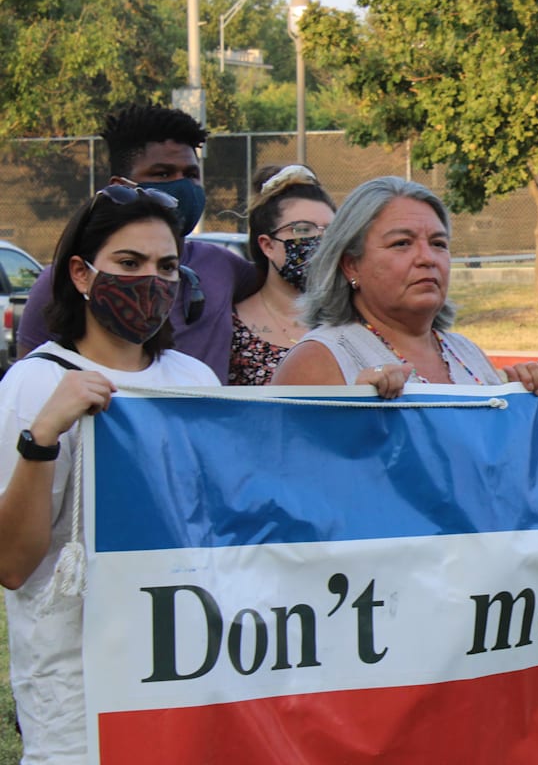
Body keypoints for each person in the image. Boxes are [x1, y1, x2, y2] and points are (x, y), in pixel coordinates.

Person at [0, 185, 218, 761]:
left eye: (167, 266)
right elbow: (12, 565)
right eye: (129, 263)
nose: (151, 280)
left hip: (187, 669)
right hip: (79, 694)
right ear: (81, 273)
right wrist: (42, 437)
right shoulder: (34, 384)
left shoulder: (195, 379)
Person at [16, 104, 257, 382]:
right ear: (122, 185)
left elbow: (283, 291)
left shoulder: (223, 265)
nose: (182, 187)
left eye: (191, 175)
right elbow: (34, 379)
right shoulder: (63, 280)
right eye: (163, 174)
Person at [271, 176, 538, 397]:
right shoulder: (318, 360)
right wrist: (353, 417)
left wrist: (529, 397)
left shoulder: (466, 353)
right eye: (402, 244)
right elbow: (292, 469)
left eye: (438, 244)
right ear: (351, 265)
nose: (427, 258)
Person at [230, 164, 337, 385]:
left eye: (330, 231)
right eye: (302, 229)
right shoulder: (232, 327)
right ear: (267, 245)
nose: (319, 240)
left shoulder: (353, 320)